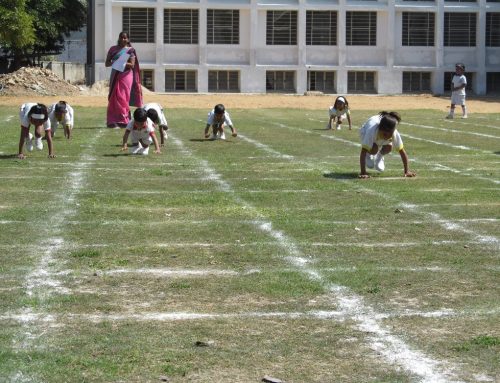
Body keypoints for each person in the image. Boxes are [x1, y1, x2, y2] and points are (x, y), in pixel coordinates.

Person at [358, 111, 416, 179]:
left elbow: (402, 151)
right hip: (364, 131)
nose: (387, 137)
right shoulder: (371, 131)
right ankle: (369, 154)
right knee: (374, 150)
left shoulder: (394, 133)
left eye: (390, 135)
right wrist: (363, 172)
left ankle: (379, 156)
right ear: (380, 129)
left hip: (379, 134)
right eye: (385, 134)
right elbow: (363, 151)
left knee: (389, 147)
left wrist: (407, 171)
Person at [105, 31, 143, 128]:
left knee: (123, 98)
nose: (123, 39)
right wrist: (116, 61)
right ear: (119, 38)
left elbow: (132, 65)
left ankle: (124, 120)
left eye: (125, 38)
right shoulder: (113, 49)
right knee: (113, 98)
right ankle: (112, 121)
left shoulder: (130, 50)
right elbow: (107, 63)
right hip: (115, 75)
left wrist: (121, 62)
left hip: (126, 76)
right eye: (121, 37)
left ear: (128, 39)